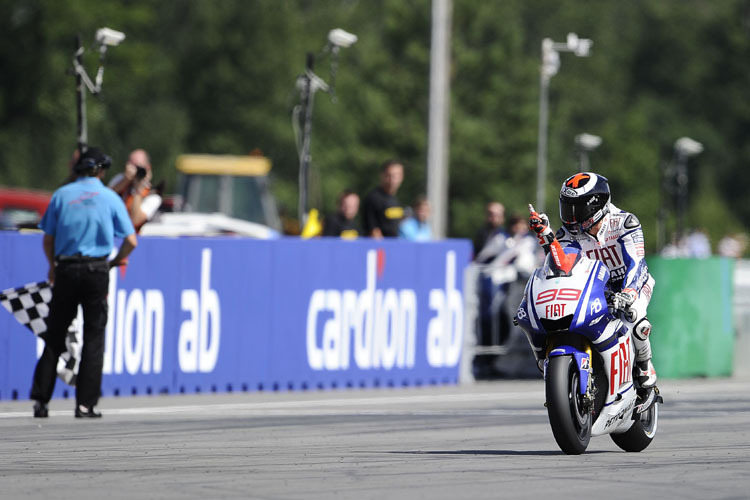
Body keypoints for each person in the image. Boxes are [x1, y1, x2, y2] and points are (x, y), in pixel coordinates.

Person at [31, 147, 137, 418]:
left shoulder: (62, 195)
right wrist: (114, 262)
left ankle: (41, 401)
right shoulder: (109, 197)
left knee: (54, 335)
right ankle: (85, 404)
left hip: (66, 268)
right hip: (96, 271)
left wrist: (52, 265)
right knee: (94, 337)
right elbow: (131, 240)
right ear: (101, 171)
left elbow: (47, 238)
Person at [528, 172, 658, 389]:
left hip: (632, 283)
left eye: (577, 209)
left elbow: (636, 262)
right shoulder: (568, 234)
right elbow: (559, 263)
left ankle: (644, 364)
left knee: (634, 318)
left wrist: (629, 292)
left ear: (597, 206)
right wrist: (546, 235)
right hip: (596, 288)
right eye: (567, 207)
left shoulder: (624, 223)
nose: (571, 216)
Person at [108, 148, 162, 232]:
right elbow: (105, 199)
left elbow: (135, 220)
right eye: (133, 166)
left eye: (140, 167)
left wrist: (138, 189)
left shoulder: (153, 196)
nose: (136, 171)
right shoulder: (120, 180)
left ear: (148, 168)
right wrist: (125, 180)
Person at [361, 159, 405, 238]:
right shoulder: (373, 198)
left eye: (396, 176)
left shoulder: (395, 200)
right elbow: (374, 231)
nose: (392, 180)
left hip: (395, 246)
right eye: (389, 175)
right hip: (381, 248)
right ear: (382, 175)